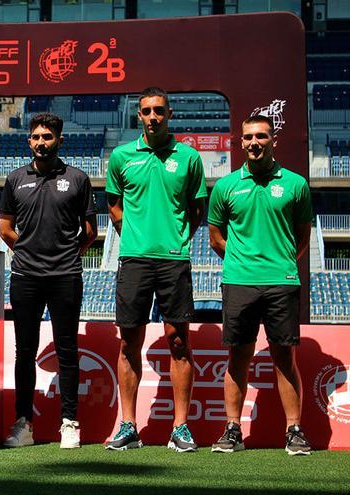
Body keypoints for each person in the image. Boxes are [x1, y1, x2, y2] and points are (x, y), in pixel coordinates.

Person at [104, 87, 207, 452]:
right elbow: (114, 206)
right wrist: (135, 236)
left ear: (170, 113)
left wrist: (175, 239)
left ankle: (180, 428)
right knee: (129, 340)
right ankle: (128, 425)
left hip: (173, 260)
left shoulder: (190, 158)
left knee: (179, 341)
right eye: (146, 111)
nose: (153, 117)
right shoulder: (121, 156)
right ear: (139, 115)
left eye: (159, 110)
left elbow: (197, 211)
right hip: (133, 259)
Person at [207, 115, 313, 455]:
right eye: (249, 137)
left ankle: (294, 431)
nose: (255, 142)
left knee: (284, 356)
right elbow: (215, 238)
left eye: (262, 136)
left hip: (281, 281)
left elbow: (302, 237)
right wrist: (243, 259)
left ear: (273, 140)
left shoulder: (295, 185)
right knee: (238, 356)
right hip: (239, 281)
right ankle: (233, 429)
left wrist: (279, 261)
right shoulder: (225, 187)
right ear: (241, 143)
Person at [0, 113, 98, 449]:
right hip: (25, 276)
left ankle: (69, 423)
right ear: (29, 141)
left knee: (67, 351)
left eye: (48, 137)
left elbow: (90, 232)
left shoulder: (77, 179)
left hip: (65, 276)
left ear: (59, 140)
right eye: (36, 137)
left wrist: (66, 255)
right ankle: (24, 424)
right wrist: (27, 251)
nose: (41, 142)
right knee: (24, 352)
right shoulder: (15, 179)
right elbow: (5, 229)